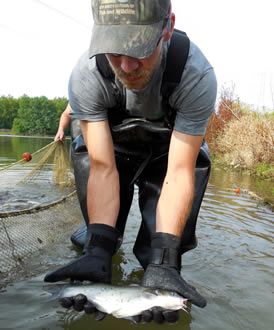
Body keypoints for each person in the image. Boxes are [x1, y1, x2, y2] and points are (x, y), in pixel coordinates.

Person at [45, 0, 217, 324]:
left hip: (169, 155)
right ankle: (94, 248)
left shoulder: (195, 75)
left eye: (138, 49)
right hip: (112, 153)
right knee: (98, 241)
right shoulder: (86, 76)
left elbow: (180, 173)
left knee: (161, 250)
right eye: (113, 51)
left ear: (167, 28)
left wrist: (164, 259)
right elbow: (102, 166)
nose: (125, 66)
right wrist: (98, 247)